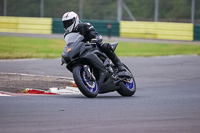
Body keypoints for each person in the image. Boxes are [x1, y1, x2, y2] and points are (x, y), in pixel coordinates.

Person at [62, 11, 129, 75]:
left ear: (75, 20)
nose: (67, 25)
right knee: (70, 62)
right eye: (65, 23)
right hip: (80, 49)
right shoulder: (67, 34)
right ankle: (82, 76)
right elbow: (69, 45)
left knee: (104, 45)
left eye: (68, 23)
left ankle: (121, 67)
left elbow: (95, 34)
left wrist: (96, 38)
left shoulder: (85, 25)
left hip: (92, 45)